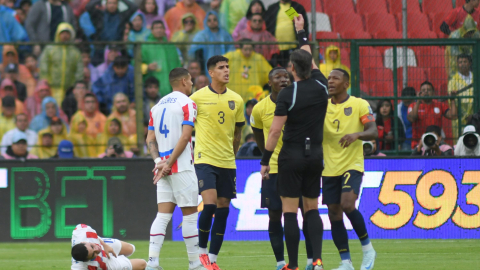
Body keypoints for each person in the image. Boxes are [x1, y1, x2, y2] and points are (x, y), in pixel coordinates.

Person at [259, 15, 326, 270]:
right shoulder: (321, 86)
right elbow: (308, 56)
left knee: (289, 212)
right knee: (311, 209)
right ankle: (317, 261)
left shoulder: (288, 93)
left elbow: (275, 132)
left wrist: (265, 161)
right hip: (315, 155)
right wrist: (302, 32)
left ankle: (294, 265)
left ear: (293, 70)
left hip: (291, 156)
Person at [252, 66, 317, 270]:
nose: (283, 80)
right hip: (274, 169)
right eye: (277, 77)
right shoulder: (259, 109)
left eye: (286, 77)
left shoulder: (300, 103)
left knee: (304, 212)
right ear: (269, 82)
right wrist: (268, 159)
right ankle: (281, 262)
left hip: (298, 167)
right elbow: (259, 136)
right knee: (274, 214)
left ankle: (311, 260)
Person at [144, 67, 206, 270]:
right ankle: (195, 264)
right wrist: (170, 163)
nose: (192, 84)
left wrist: (158, 163)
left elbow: (150, 139)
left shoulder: (157, 106)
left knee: (162, 215)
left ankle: (152, 262)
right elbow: (186, 136)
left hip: (162, 168)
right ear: (184, 81)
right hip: (180, 167)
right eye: (190, 81)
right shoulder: (188, 103)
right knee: (189, 215)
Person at [321, 59, 378, 270]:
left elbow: (373, 131)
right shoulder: (323, 107)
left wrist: (357, 134)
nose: (330, 81)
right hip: (329, 168)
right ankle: (346, 262)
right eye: (328, 78)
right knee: (334, 213)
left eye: (335, 78)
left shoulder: (359, 104)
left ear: (346, 83)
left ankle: (368, 249)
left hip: (351, 165)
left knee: (347, 205)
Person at [189, 55, 245, 270]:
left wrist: (232, 154)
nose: (226, 71)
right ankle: (201, 253)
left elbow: (238, 133)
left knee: (223, 209)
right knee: (210, 204)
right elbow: (186, 127)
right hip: (205, 160)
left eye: (228, 67)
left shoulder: (237, 100)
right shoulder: (197, 98)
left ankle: (212, 259)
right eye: (221, 68)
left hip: (227, 162)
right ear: (211, 73)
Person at [40, 23, 84, 105]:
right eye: (62, 33)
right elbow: (44, 65)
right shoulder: (50, 49)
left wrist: (77, 84)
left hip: (69, 90)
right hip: (52, 88)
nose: (65, 35)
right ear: (58, 34)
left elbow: (79, 69)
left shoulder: (75, 52)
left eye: (67, 33)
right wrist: (44, 79)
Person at [70, 224, 146, 270]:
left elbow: (94, 236)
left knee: (131, 248)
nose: (97, 250)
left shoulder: (81, 232)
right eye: (93, 254)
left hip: (102, 243)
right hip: (108, 265)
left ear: (84, 242)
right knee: (143, 264)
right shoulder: (80, 267)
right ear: (86, 261)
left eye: (92, 247)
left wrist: (105, 245)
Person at [407, 81, 458, 148]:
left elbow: (453, 116)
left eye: (429, 90)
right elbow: (411, 119)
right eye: (423, 90)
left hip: (437, 143)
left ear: (433, 93)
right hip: (419, 144)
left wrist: (452, 100)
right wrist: (418, 101)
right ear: (419, 93)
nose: (426, 92)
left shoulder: (439, 105)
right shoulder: (413, 105)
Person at [86, 0, 137, 64]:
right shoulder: (99, 15)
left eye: (114, 3)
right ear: (106, 4)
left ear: (117, 5)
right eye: (110, 3)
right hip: (100, 50)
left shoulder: (122, 16)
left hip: (118, 50)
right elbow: (89, 6)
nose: (112, 5)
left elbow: (134, 7)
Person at [142, 20, 182, 97]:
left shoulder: (171, 46)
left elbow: (178, 64)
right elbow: (136, 63)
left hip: (172, 86)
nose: (159, 30)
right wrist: (147, 67)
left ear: (164, 30)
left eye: (161, 28)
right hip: (153, 89)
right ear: (152, 31)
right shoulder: (145, 46)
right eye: (156, 28)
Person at [264, 0, 308, 67]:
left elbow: (304, 27)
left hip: (293, 48)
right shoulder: (272, 8)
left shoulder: (297, 7)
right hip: (276, 50)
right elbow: (267, 27)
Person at [189, 11, 235, 75]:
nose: (212, 22)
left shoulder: (225, 35)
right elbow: (196, 51)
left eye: (214, 19)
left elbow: (231, 50)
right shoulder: (201, 35)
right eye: (209, 20)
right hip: (206, 65)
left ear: (218, 20)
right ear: (206, 22)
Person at [448, 54, 475, 139]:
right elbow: (452, 101)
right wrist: (466, 116)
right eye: (460, 62)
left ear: (469, 63)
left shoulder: (476, 77)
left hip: (477, 117)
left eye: (464, 62)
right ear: (457, 64)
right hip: (460, 120)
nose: (462, 64)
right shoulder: (453, 81)